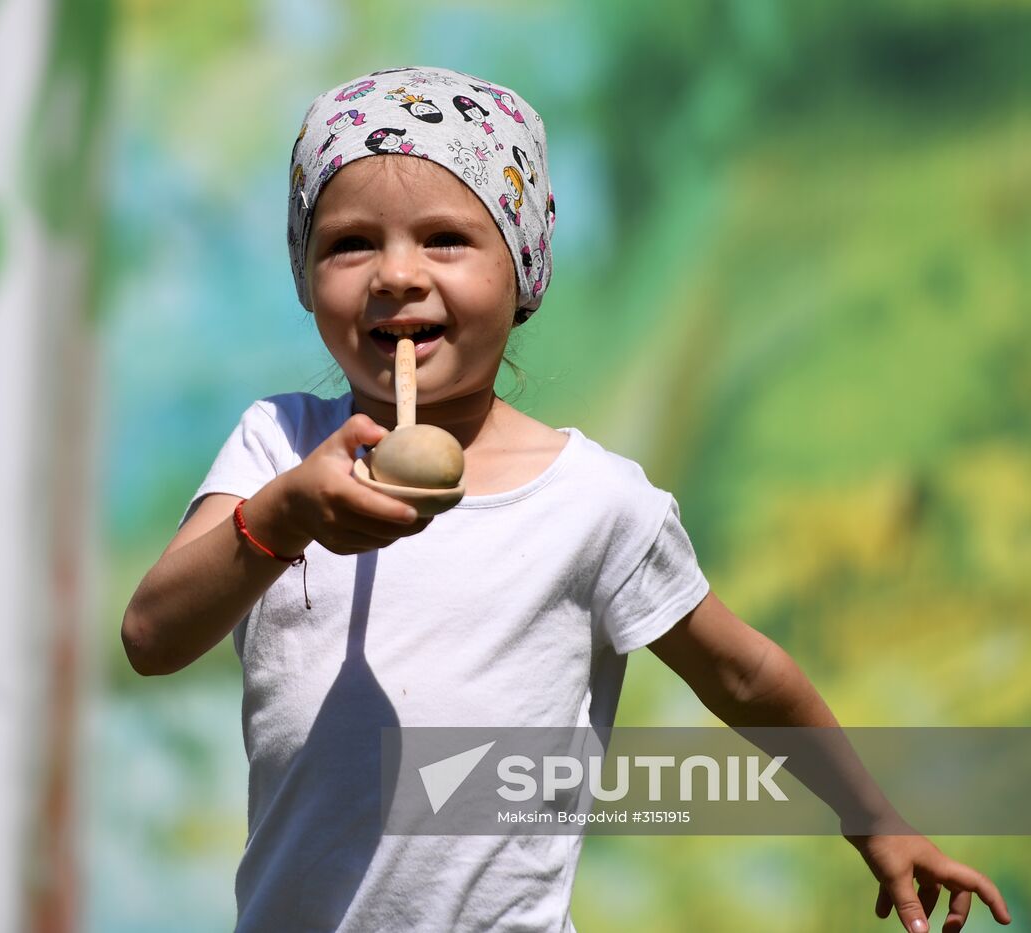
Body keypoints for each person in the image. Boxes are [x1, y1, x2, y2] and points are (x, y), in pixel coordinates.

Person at [120, 66, 1012, 933]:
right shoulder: (277, 447)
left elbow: (744, 675)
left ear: (522, 269)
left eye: (444, 238)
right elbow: (152, 638)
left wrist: (874, 818)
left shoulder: (593, 501)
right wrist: (281, 518)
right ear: (306, 276)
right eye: (350, 243)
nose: (396, 274)